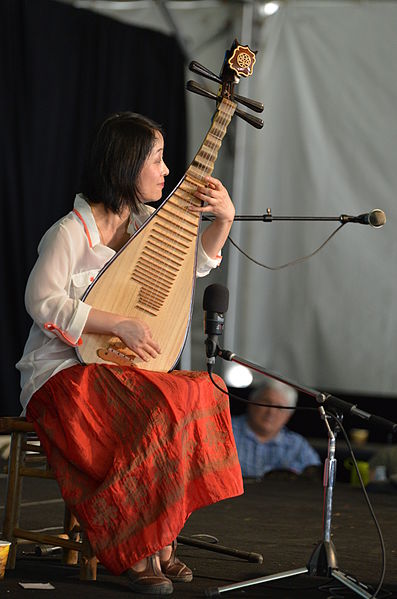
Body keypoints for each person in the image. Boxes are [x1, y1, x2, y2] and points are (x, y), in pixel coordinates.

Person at [16, 112, 243, 595]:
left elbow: (194, 269)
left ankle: (161, 537)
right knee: (157, 408)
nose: (166, 170)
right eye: (157, 159)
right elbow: (42, 301)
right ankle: (138, 551)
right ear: (126, 164)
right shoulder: (71, 231)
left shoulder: (145, 227)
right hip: (60, 375)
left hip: (113, 370)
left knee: (201, 390)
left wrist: (223, 219)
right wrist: (116, 321)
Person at [232, 380, 321, 479]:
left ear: (288, 416)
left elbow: (315, 478)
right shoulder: (224, 430)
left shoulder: (297, 445)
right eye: (267, 403)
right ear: (251, 402)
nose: (271, 412)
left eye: (279, 408)